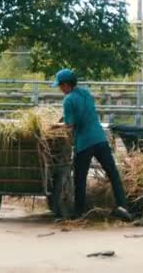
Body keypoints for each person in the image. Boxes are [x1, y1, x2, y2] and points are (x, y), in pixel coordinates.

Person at [51, 69, 132, 221]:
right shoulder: (85, 93)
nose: (60, 89)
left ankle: (79, 214)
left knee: (79, 179)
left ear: (67, 85)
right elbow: (82, 112)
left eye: (60, 86)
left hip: (84, 143)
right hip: (100, 139)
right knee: (113, 173)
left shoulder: (68, 100)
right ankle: (123, 206)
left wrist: (53, 126)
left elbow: (69, 126)